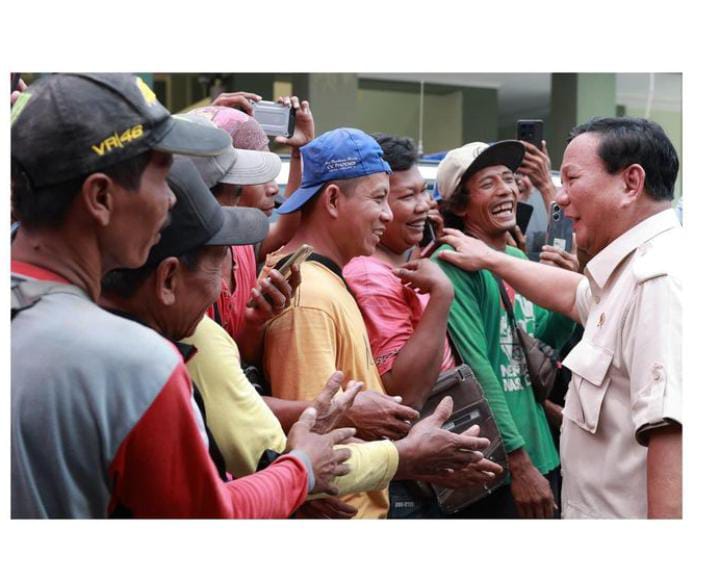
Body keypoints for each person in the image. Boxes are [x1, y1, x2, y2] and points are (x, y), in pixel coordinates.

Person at [10, 73, 345, 518]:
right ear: (101, 198)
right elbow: (207, 517)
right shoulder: (133, 364)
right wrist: (301, 467)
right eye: (163, 177)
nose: (172, 202)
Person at [438, 117, 682, 518]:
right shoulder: (628, 273)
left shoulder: (658, 282)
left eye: (571, 180)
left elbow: (672, 440)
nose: (560, 198)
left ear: (630, 183)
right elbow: (574, 295)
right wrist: (491, 259)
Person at [262, 128, 499, 519]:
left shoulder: (327, 280)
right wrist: (409, 457)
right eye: (378, 199)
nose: (388, 214)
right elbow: (316, 444)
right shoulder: (309, 296)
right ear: (334, 199)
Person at [432, 140, 576, 519]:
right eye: (488, 183)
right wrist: (518, 463)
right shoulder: (450, 264)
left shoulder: (513, 259)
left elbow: (540, 348)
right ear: (460, 205)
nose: (507, 191)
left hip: (541, 447)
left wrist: (567, 287)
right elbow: (478, 369)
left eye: (510, 179)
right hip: (499, 463)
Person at [343, 134, 457, 517]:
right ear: (379, 205)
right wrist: (441, 295)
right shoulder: (370, 276)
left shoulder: (400, 263)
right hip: (408, 482)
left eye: (424, 192)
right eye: (407, 197)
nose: (424, 205)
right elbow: (404, 396)